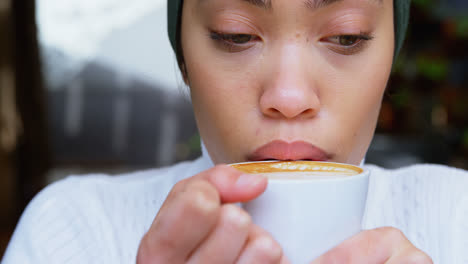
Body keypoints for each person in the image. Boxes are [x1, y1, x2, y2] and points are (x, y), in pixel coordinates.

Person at [2, 0, 467, 263]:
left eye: (346, 36)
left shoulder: (456, 220)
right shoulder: (73, 230)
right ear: (182, 57)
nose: (288, 96)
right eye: (236, 34)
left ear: (391, 53)